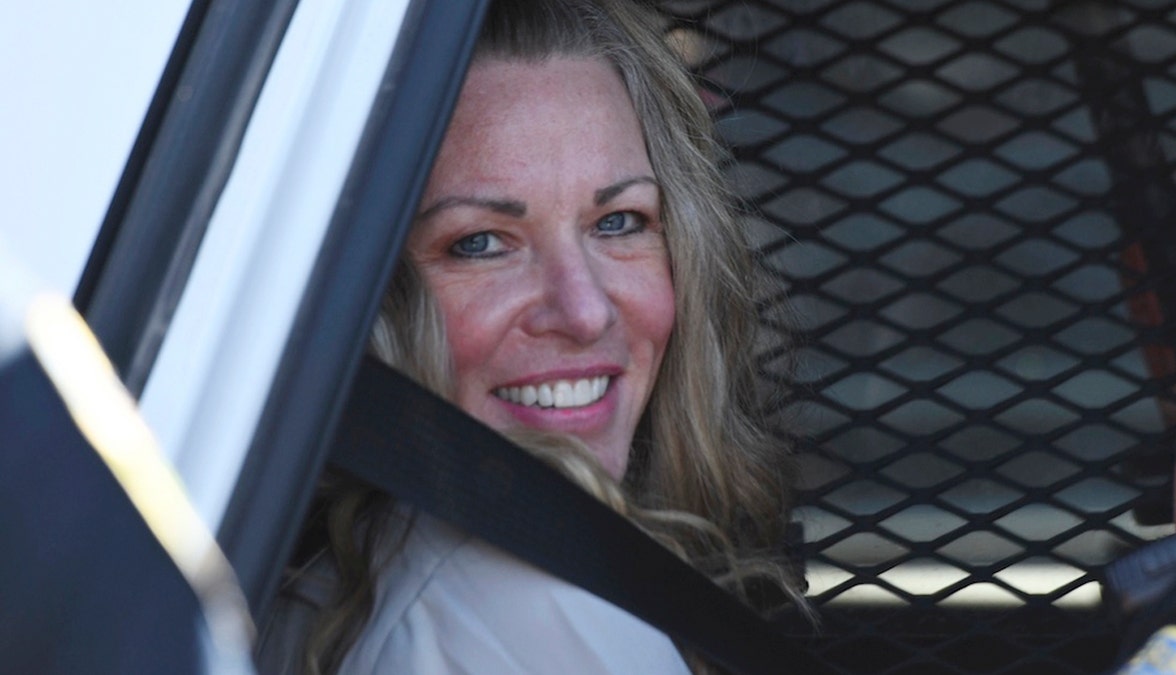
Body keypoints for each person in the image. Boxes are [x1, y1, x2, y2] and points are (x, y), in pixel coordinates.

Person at [255, 0, 809, 672]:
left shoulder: (334, 575)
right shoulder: (529, 610)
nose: (584, 312)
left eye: (617, 223)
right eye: (480, 243)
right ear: (364, 290)